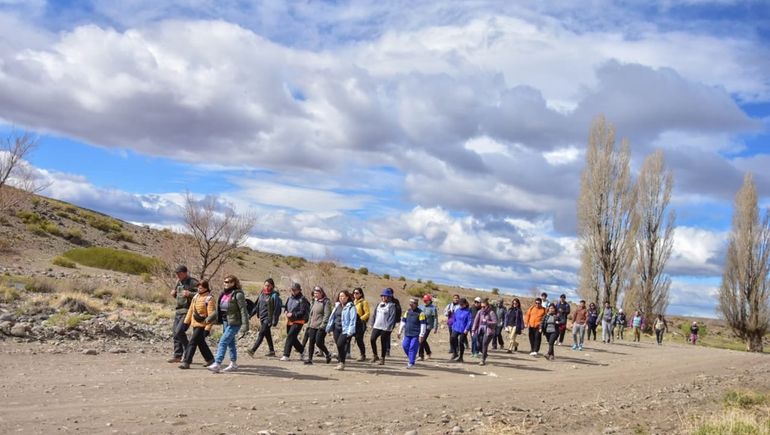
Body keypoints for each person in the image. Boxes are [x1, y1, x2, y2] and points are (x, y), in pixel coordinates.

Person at [207, 275, 249, 373]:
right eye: (225, 282)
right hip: (226, 321)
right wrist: (209, 318)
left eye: (228, 282)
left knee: (223, 341)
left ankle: (217, 363)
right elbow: (219, 309)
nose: (226, 283)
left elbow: (243, 310)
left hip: (235, 322)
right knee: (230, 343)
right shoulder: (223, 294)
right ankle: (233, 364)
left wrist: (245, 325)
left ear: (233, 283)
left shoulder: (238, 294)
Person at [179, 280, 215, 369]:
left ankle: (186, 362)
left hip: (202, 325)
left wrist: (207, 328)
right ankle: (210, 359)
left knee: (192, 342)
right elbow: (191, 310)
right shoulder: (195, 297)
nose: (199, 289)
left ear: (206, 288)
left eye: (201, 288)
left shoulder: (209, 299)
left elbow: (211, 315)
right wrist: (186, 323)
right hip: (195, 323)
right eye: (198, 288)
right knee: (201, 343)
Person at [168, 265, 198, 363]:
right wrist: (174, 294)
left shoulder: (193, 282)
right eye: (176, 274)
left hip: (188, 311)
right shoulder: (178, 282)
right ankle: (177, 356)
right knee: (175, 333)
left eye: (179, 274)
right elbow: (179, 296)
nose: (177, 275)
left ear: (185, 273)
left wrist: (190, 294)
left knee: (179, 331)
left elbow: (202, 294)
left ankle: (188, 352)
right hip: (178, 311)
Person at [247, 278, 282, 358]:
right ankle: (272, 351)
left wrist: (274, 320)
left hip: (268, 319)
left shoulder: (274, 295)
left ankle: (253, 350)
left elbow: (277, 309)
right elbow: (257, 306)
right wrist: (250, 315)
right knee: (267, 334)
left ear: (272, 286)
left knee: (261, 333)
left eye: (268, 286)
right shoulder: (262, 294)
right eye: (265, 285)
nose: (266, 287)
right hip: (262, 317)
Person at [326, 290, 356, 370]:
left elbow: (353, 320)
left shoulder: (351, 307)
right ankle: (340, 361)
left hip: (345, 329)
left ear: (347, 297)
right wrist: (329, 327)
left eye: (343, 296)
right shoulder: (337, 306)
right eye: (340, 296)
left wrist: (350, 331)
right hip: (336, 328)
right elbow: (332, 317)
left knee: (340, 344)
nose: (341, 298)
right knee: (339, 346)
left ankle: (342, 362)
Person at [304, 286, 332, 365]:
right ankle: (310, 359)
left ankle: (327, 354)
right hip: (312, 325)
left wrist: (323, 325)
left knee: (319, 342)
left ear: (321, 293)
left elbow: (327, 315)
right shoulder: (313, 301)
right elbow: (311, 314)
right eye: (314, 293)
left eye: (317, 293)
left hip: (321, 326)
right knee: (311, 342)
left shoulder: (326, 302)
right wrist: (309, 325)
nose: (315, 294)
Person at [281, 283, 310, 361]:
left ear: (299, 290)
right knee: (292, 338)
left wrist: (293, 314)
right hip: (290, 321)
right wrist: (286, 311)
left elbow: (303, 311)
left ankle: (286, 355)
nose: (293, 291)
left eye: (295, 290)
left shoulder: (302, 299)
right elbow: (286, 307)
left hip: (299, 321)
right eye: (292, 290)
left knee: (290, 336)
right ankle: (302, 350)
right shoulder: (289, 298)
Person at [370, 288, 398, 365]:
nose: (383, 297)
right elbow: (374, 315)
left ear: (389, 297)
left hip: (385, 328)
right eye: (382, 296)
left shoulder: (391, 306)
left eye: (385, 296)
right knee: (372, 339)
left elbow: (392, 317)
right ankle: (375, 355)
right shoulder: (379, 304)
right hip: (377, 326)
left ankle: (382, 359)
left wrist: (388, 327)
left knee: (383, 342)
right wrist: (372, 324)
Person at [472, 299, 498, 366]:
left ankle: (482, 360)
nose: (482, 308)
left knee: (484, 344)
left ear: (487, 306)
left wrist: (487, 322)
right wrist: (473, 330)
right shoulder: (480, 312)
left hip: (489, 331)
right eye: (481, 306)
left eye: (484, 306)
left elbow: (495, 322)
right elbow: (476, 321)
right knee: (478, 344)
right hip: (480, 330)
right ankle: (485, 354)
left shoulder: (491, 313)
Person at [449, 298, 472, 363]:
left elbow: (470, 321)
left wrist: (467, 329)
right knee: (452, 339)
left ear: (465, 304)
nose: (460, 305)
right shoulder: (458, 310)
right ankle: (455, 352)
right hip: (456, 327)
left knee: (461, 342)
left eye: (462, 304)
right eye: (460, 304)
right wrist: (453, 325)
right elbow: (454, 318)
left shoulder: (468, 311)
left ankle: (461, 357)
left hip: (463, 329)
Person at [352, 287, 370, 362]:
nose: (355, 294)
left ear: (361, 294)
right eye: (354, 293)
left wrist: (360, 319)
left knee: (359, 339)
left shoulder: (364, 302)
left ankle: (363, 355)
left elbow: (367, 313)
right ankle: (345, 353)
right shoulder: (352, 302)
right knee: (346, 338)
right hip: (352, 323)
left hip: (360, 324)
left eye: (357, 293)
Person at [419, 294, 439, 360]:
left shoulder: (433, 308)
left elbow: (435, 318)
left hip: (428, 326)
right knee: (422, 340)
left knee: (422, 339)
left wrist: (435, 327)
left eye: (426, 300)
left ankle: (421, 355)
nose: (425, 301)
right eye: (424, 300)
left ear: (430, 301)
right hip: (421, 325)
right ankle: (428, 353)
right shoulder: (420, 307)